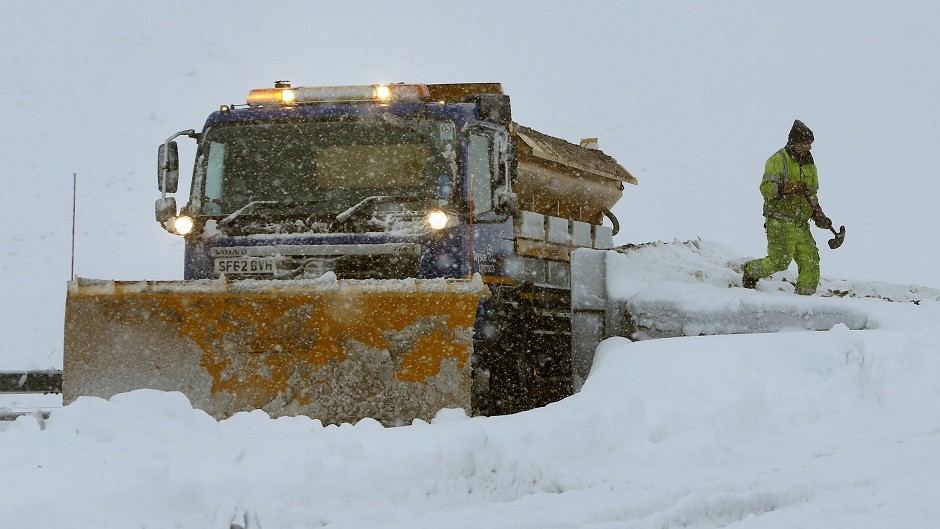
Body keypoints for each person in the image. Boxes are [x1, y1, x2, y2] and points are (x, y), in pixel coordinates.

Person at [742, 120, 832, 295]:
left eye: (810, 144)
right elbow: (766, 188)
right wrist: (786, 188)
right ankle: (751, 271)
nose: (809, 148)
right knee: (779, 262)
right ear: (794, 142)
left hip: (801, 224)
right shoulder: (777, 160)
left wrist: (818, 214)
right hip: (780, 220)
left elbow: (812, 194)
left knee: (811, 261)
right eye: (805, 144)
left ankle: (803, 304)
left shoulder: (810, 165)